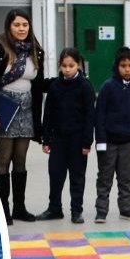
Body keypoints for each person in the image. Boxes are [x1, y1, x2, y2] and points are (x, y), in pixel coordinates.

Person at [0, 8, 46, 224]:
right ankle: (3, 210)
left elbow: (39, 84)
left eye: (25, 25)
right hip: (3, 109)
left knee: (21, 160)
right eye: (17, 25)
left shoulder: (36, 51)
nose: (21, 29)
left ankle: (19, 208)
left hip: (26, 109)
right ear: (9, 26)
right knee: (4, 160)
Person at [40, 48, 95, 223]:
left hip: (78, 140)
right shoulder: (55, 86)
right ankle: (54, 208)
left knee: (77, 176)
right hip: (58, 139)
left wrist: (87, 142)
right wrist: (46, 139)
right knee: (55, 173)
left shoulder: (85, 87)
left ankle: (76, 210)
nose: (68, 69)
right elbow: (48, 114)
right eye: (64, 66)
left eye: (71, 65)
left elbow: (90, 116)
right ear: (59, 66)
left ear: (78, 65)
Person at [93, 47, 130, 224]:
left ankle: (125, 208)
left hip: (127, 143)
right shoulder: (108, 87)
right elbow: (99, 116)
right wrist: (100, 142)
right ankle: (101, 211)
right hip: (108, 142)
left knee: (125, 177)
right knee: (105, 177)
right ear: (116, 67)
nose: (127, 69)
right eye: (123, 66)